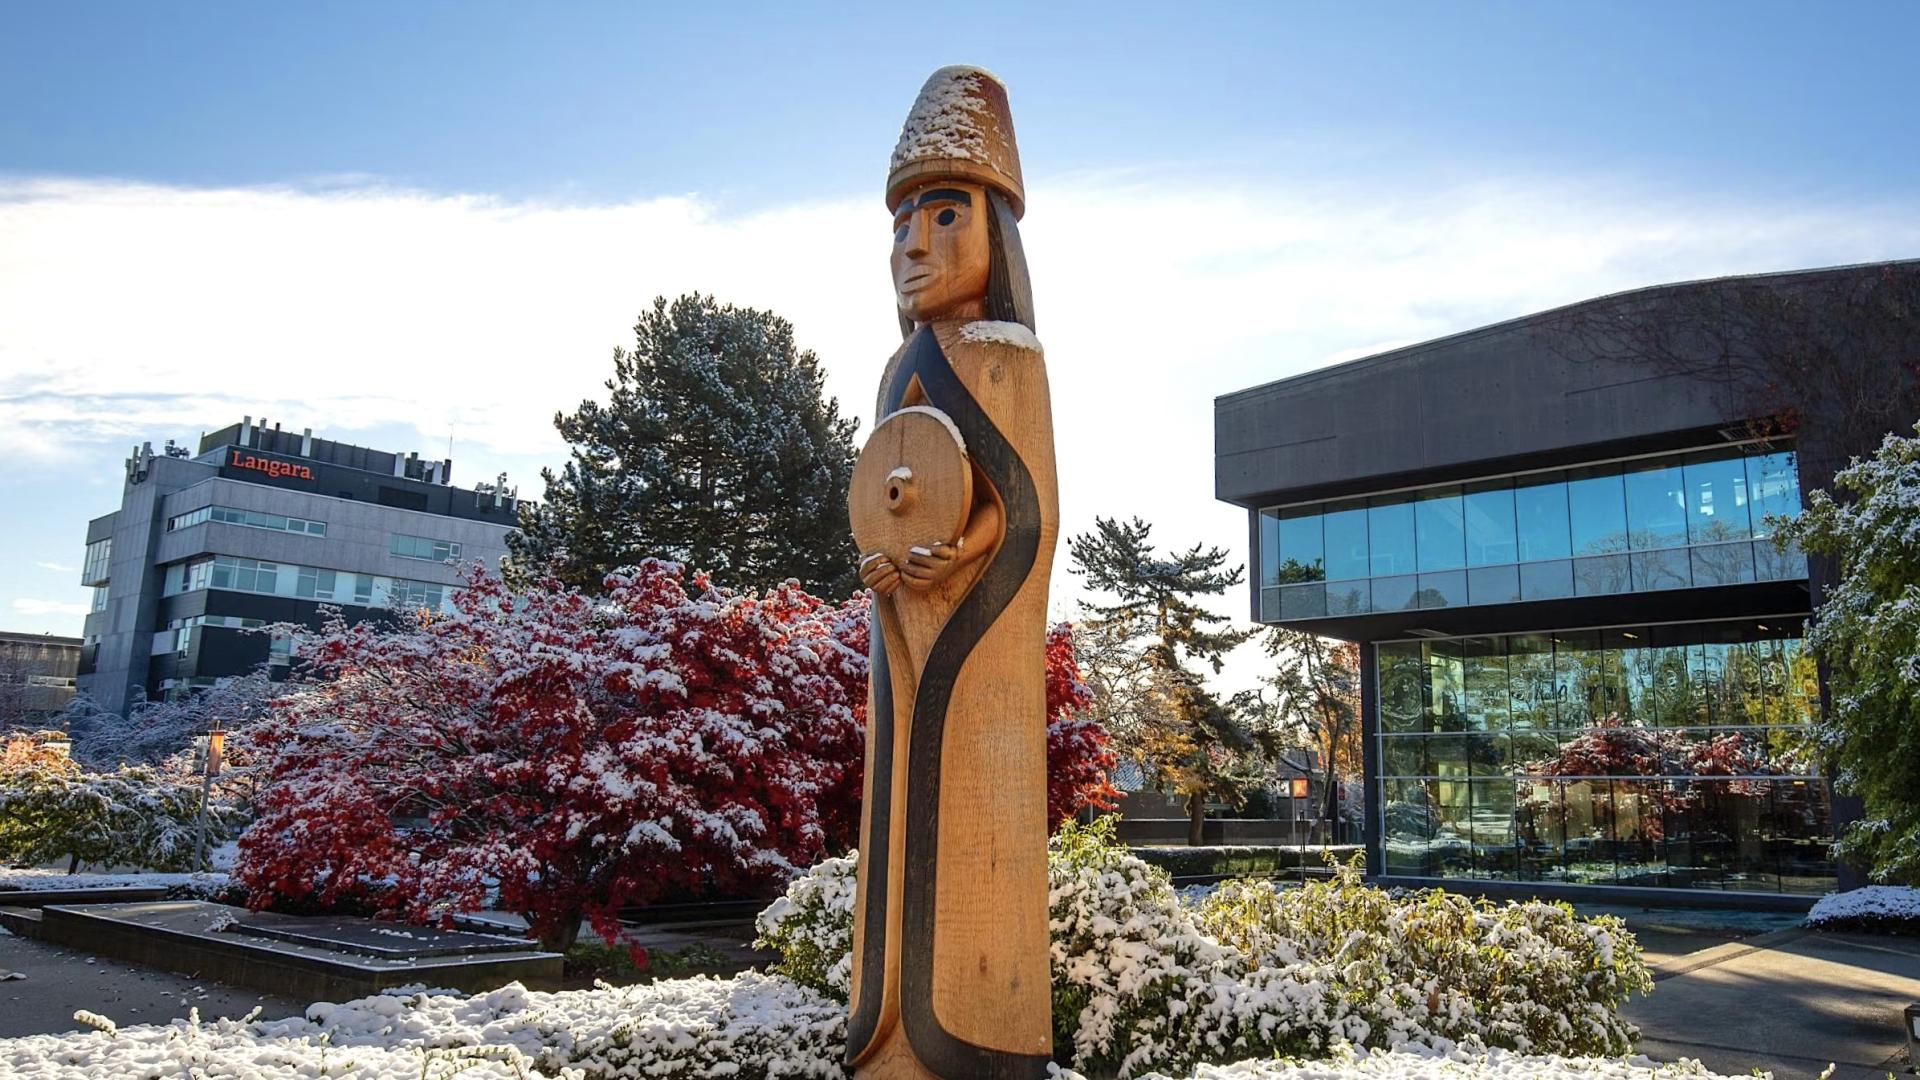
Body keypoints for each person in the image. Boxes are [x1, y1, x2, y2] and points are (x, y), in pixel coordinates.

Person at [845, 66, 1058, 1080]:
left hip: (980, 641)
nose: (914, 246)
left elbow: (1026, 508)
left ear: (997, 236)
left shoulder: (1008, 356)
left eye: (943, 216)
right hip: (901, 625)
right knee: (893, 813)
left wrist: (960, 552)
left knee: (967, 825)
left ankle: (974, 1026)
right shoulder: (898, 368)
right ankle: (883, 1025)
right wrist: (886, 560)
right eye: (901, 226)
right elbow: (888, 486)